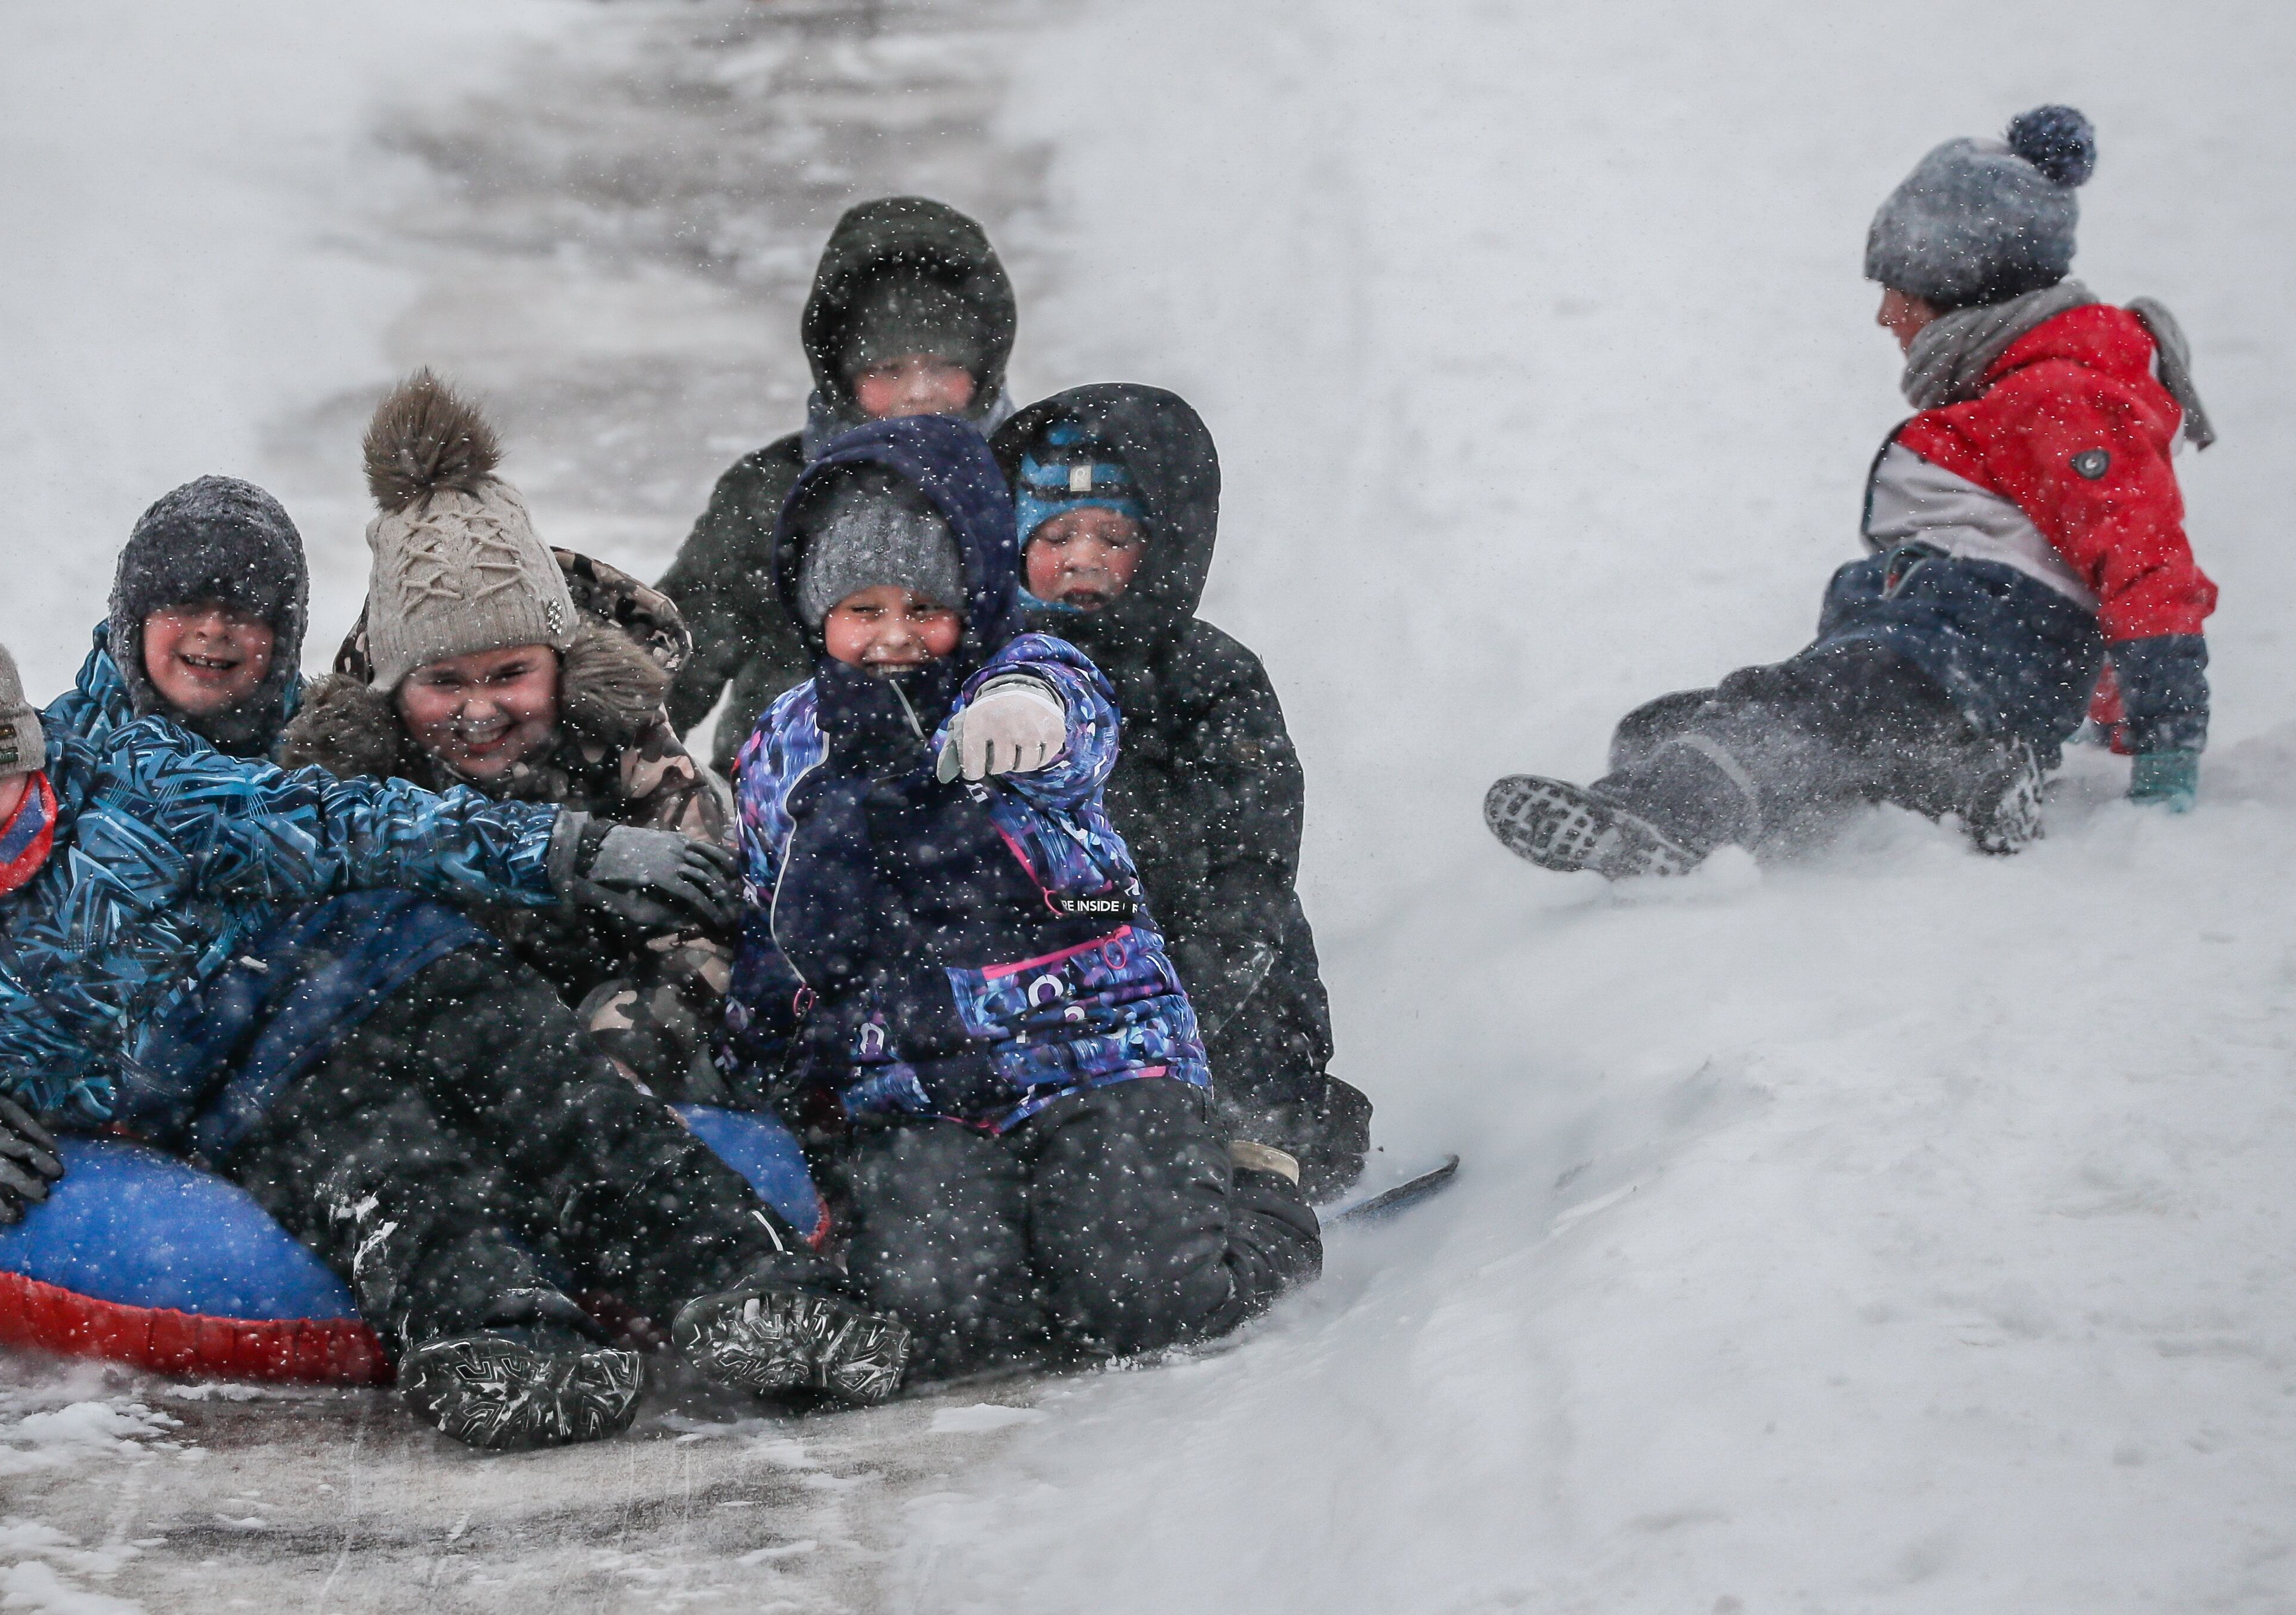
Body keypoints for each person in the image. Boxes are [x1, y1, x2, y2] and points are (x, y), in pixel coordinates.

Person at [0, 621, 909, 1449]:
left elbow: (347, 819)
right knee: (389, 1184)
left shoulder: (135, 792)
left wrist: (571, 851)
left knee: (578, 1120)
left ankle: (762, 1294)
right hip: (261, 1085)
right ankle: (511, 1347)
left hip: (402, 970)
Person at [716, 413, 1322, 1380]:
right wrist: (764, 1055)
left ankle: (1257, 1188)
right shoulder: (788, 739)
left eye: (923, 608)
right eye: (861, 610)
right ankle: (845, 1309)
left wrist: (1026, 709)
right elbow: (773, 914)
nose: (893, 638)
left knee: (1147, 1301)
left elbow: (1074, 709)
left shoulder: (1024, 675)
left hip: (1093, 1050)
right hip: (915, 1085)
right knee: (945, 1308)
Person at [1484, 105, 2217, 877]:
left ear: (1958, 288)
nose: (1883, 316)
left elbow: (2140, 563)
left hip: (1961, 648)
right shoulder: (2018, 399)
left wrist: (2163, 744)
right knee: (1657, 727)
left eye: (1898, 290)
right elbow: (2082, 574)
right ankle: (1965, 778)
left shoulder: (2055, 397)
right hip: (1942, 662)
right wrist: (2097, 716)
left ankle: (1662, 824)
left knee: (1785, 713)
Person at [277, 371, 737, 1103]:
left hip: (597, 1043)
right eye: (445, 682)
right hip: (427, 1055)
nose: (481, 710)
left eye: (510, 673)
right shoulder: (352, 775)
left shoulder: (628, 748)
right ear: (394, 691)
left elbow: (696, 938)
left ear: (562, 667)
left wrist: (604, 1067)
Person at [992, 386, 1370, 1199]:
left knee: (1206, 1139)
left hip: (1206, 984)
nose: (1083, 558)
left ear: (1166, 547)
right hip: (1040, 981)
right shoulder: (985, 678)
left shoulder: (1208, 677)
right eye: (1056, 534)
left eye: (1115, 536)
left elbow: (1252, 873)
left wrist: (1170, 1012)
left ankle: (1269, 1152)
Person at [657, 195, 1018, 767]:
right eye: (888, 369)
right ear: (840, 376)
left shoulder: (1030, 483)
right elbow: (669, 668)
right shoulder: (770, 492)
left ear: (986, 366)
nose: (919, 392)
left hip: (989, 820)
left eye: (945, 366)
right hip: (785, 812)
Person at [47, 474, 309, 756]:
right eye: (187, 605)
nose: (213, 628)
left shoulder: (329, 762)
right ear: (133, 625)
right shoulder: (55, 754)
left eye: (244, 610)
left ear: (284, 638)